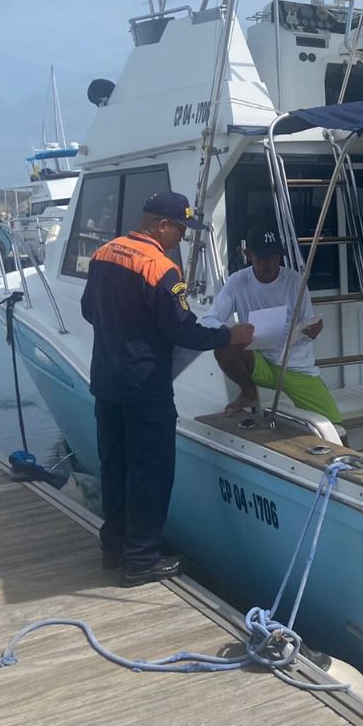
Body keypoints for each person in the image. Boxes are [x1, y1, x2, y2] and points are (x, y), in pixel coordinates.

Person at [81, 192, 254, 585]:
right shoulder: (160, 268)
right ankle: (141, 560)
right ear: (161, 225)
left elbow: (89, 310)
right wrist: (229, 335)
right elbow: (182, 330)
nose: (182, 238)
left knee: (116, 465)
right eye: (180, 230)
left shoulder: (103, 254)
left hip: (107, 381)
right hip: (144, 387)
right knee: (150, 471)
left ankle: (114, 546)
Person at [203, 225, 342, 426]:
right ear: (249, 254)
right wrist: (230, 331)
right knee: (223, 345)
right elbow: (209, 319)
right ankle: (249, 393)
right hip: (259, 360)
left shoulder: (295, 280)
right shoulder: (237, 281)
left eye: (274, 257)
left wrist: (313, 330)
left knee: (335, 427)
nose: (269, 263)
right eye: (262, 258)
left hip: (294, 365)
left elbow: (308, 323)